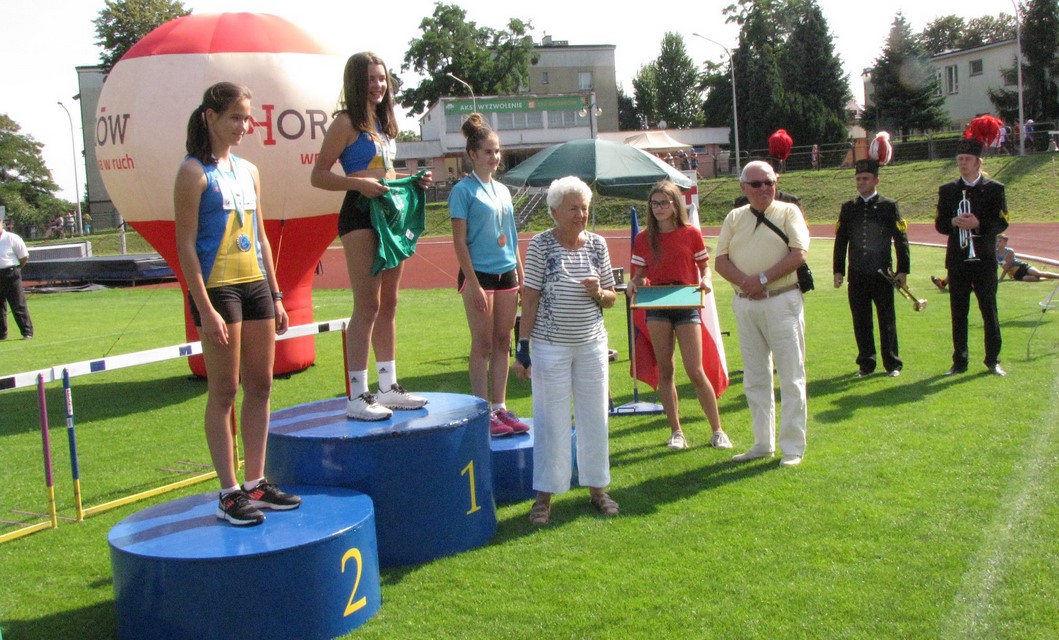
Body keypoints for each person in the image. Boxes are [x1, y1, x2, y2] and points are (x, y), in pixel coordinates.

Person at [174, 81, 301, 526]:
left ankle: (256, 482)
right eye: (235, 117)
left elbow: (263, 237)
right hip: (218, 288)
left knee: (261, 386)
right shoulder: (193, 172)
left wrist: (278, 292)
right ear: (210, 117)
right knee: (224, 391)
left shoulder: (249, 170)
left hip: (256, 286)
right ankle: (228, 493)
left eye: (247, 117)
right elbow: (185, 245)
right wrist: (203, 307)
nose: (244, 125)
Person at [311, 52, 432, 420]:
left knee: (389, 304)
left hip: (390, 213)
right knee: (367, 305)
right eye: (370, 79)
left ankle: (388, 386)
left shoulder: (385, 123)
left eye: (382, 78)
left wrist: (414, 180)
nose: (378, 85)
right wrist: (358, 184)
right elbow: (318, 175)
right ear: (355, 82)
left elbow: (388, 173)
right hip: (360, 214)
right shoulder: (345, 123)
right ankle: (357, 394)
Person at [513, 176, 619, 525]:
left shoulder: (598, 245)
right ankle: (545, 497)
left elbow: (612, 296)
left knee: (594, 418)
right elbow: (529, 297)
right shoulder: (541, 245)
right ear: (555, 211)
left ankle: (597, 489)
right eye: (573, 208)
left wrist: (598, 293)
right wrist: (523, 347)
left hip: (591, 345)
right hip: (549, 346)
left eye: (585, 207)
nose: (581, 214)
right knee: (550, 422)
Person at [714, 160, 809, 467]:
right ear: (744, 188)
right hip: (746, 303)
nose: (765, 188)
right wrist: (746, 284)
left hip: (782, 300)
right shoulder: (734, 217)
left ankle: (792, 447)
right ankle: (762, 442)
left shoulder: (789, 211)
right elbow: (721, 260)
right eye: (757, 184)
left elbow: (799, 253)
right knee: (755, 377)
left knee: (791, 376)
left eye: (769, 182)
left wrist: (762, 280)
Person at [627, 179, 731, 450]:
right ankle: (676, 432)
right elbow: (639, 275)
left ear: (676, 205)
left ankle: (718, 431)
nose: (659, 208)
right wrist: (633, 284)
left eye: (664, 202)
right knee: (666, 369)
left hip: (687, 304)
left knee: (696, 370)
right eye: (654, 203)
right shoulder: (643, 238)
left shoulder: (690, 234)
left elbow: (705, 268)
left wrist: (706, 280)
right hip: (657, 306)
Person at [448, 113, 528, 437]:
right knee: (482, 344)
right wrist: (474, 283)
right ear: (472, 155)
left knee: (502, 343)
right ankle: (482, 411)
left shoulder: (504, 191)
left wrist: (521, 276)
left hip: (507, 273)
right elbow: (458, 241)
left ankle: (499, 407)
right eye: (488, 152)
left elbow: (512, 236)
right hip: (478, 274)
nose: (495, 157)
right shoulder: (462, 191)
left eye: (497, 151)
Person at [935, 135, 1009, 376]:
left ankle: (993, 360)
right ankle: (959, 361)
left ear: (978, 162)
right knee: (959, 313)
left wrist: (978, 224)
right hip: (958, 259)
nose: (962, 163)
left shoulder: (995, 189)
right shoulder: (948, 190)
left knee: (989, 310)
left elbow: (1002, 221)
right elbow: (940, 224)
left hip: (984, 259)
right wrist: (953, 222)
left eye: (967, 159)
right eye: (959, 159)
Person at [833, 159, 910, 377]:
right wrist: (838, 270)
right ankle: (866, 363)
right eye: (858, 179)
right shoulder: (849, 208)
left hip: (883, 273)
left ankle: (892, 364)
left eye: (865, 178)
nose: (861, 182)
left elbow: (900, 239)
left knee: (887, 319)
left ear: (876, 180)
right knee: (861, 320)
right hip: (857, 273)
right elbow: (841, 241)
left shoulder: (889, 206)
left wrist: (902, 270)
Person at [0, 225, 34, 340]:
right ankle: (2, 334)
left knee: (18, 304)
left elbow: (24, 257)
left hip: (10, 273)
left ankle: (27, 332)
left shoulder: (12, 238)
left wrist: (17, 269)